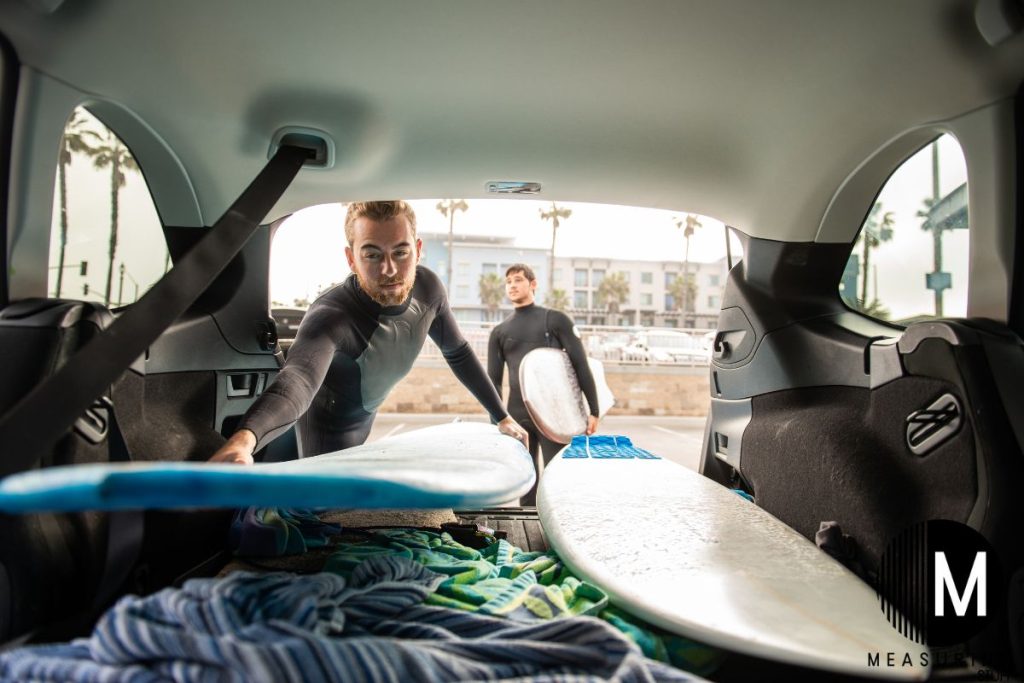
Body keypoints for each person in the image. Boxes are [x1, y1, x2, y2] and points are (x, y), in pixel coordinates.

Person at [210, 201, 528, 465]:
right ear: (351, 258)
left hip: (363, 425)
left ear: (418, 250)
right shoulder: (332, 315)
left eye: (400, 253)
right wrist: (243, 440)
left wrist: (501, 416)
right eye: (372, 254)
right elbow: (299, 381)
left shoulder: (429, 289)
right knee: (319, 517)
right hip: (322, 434)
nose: (389, 270)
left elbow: (457, 352)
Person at [487, 264, 600, 504]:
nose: (512, 285)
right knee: (527, 484)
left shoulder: (556, 320)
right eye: (508, 282)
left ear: (533, 284)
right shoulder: (499, 332)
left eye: (518, 280)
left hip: (554, 415)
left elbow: (580, 365)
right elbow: (493, 381)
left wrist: (594, 409)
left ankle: (554, 524)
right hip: (518, 414)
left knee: (556, 480)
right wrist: (496, 420)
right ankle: (529, 527)